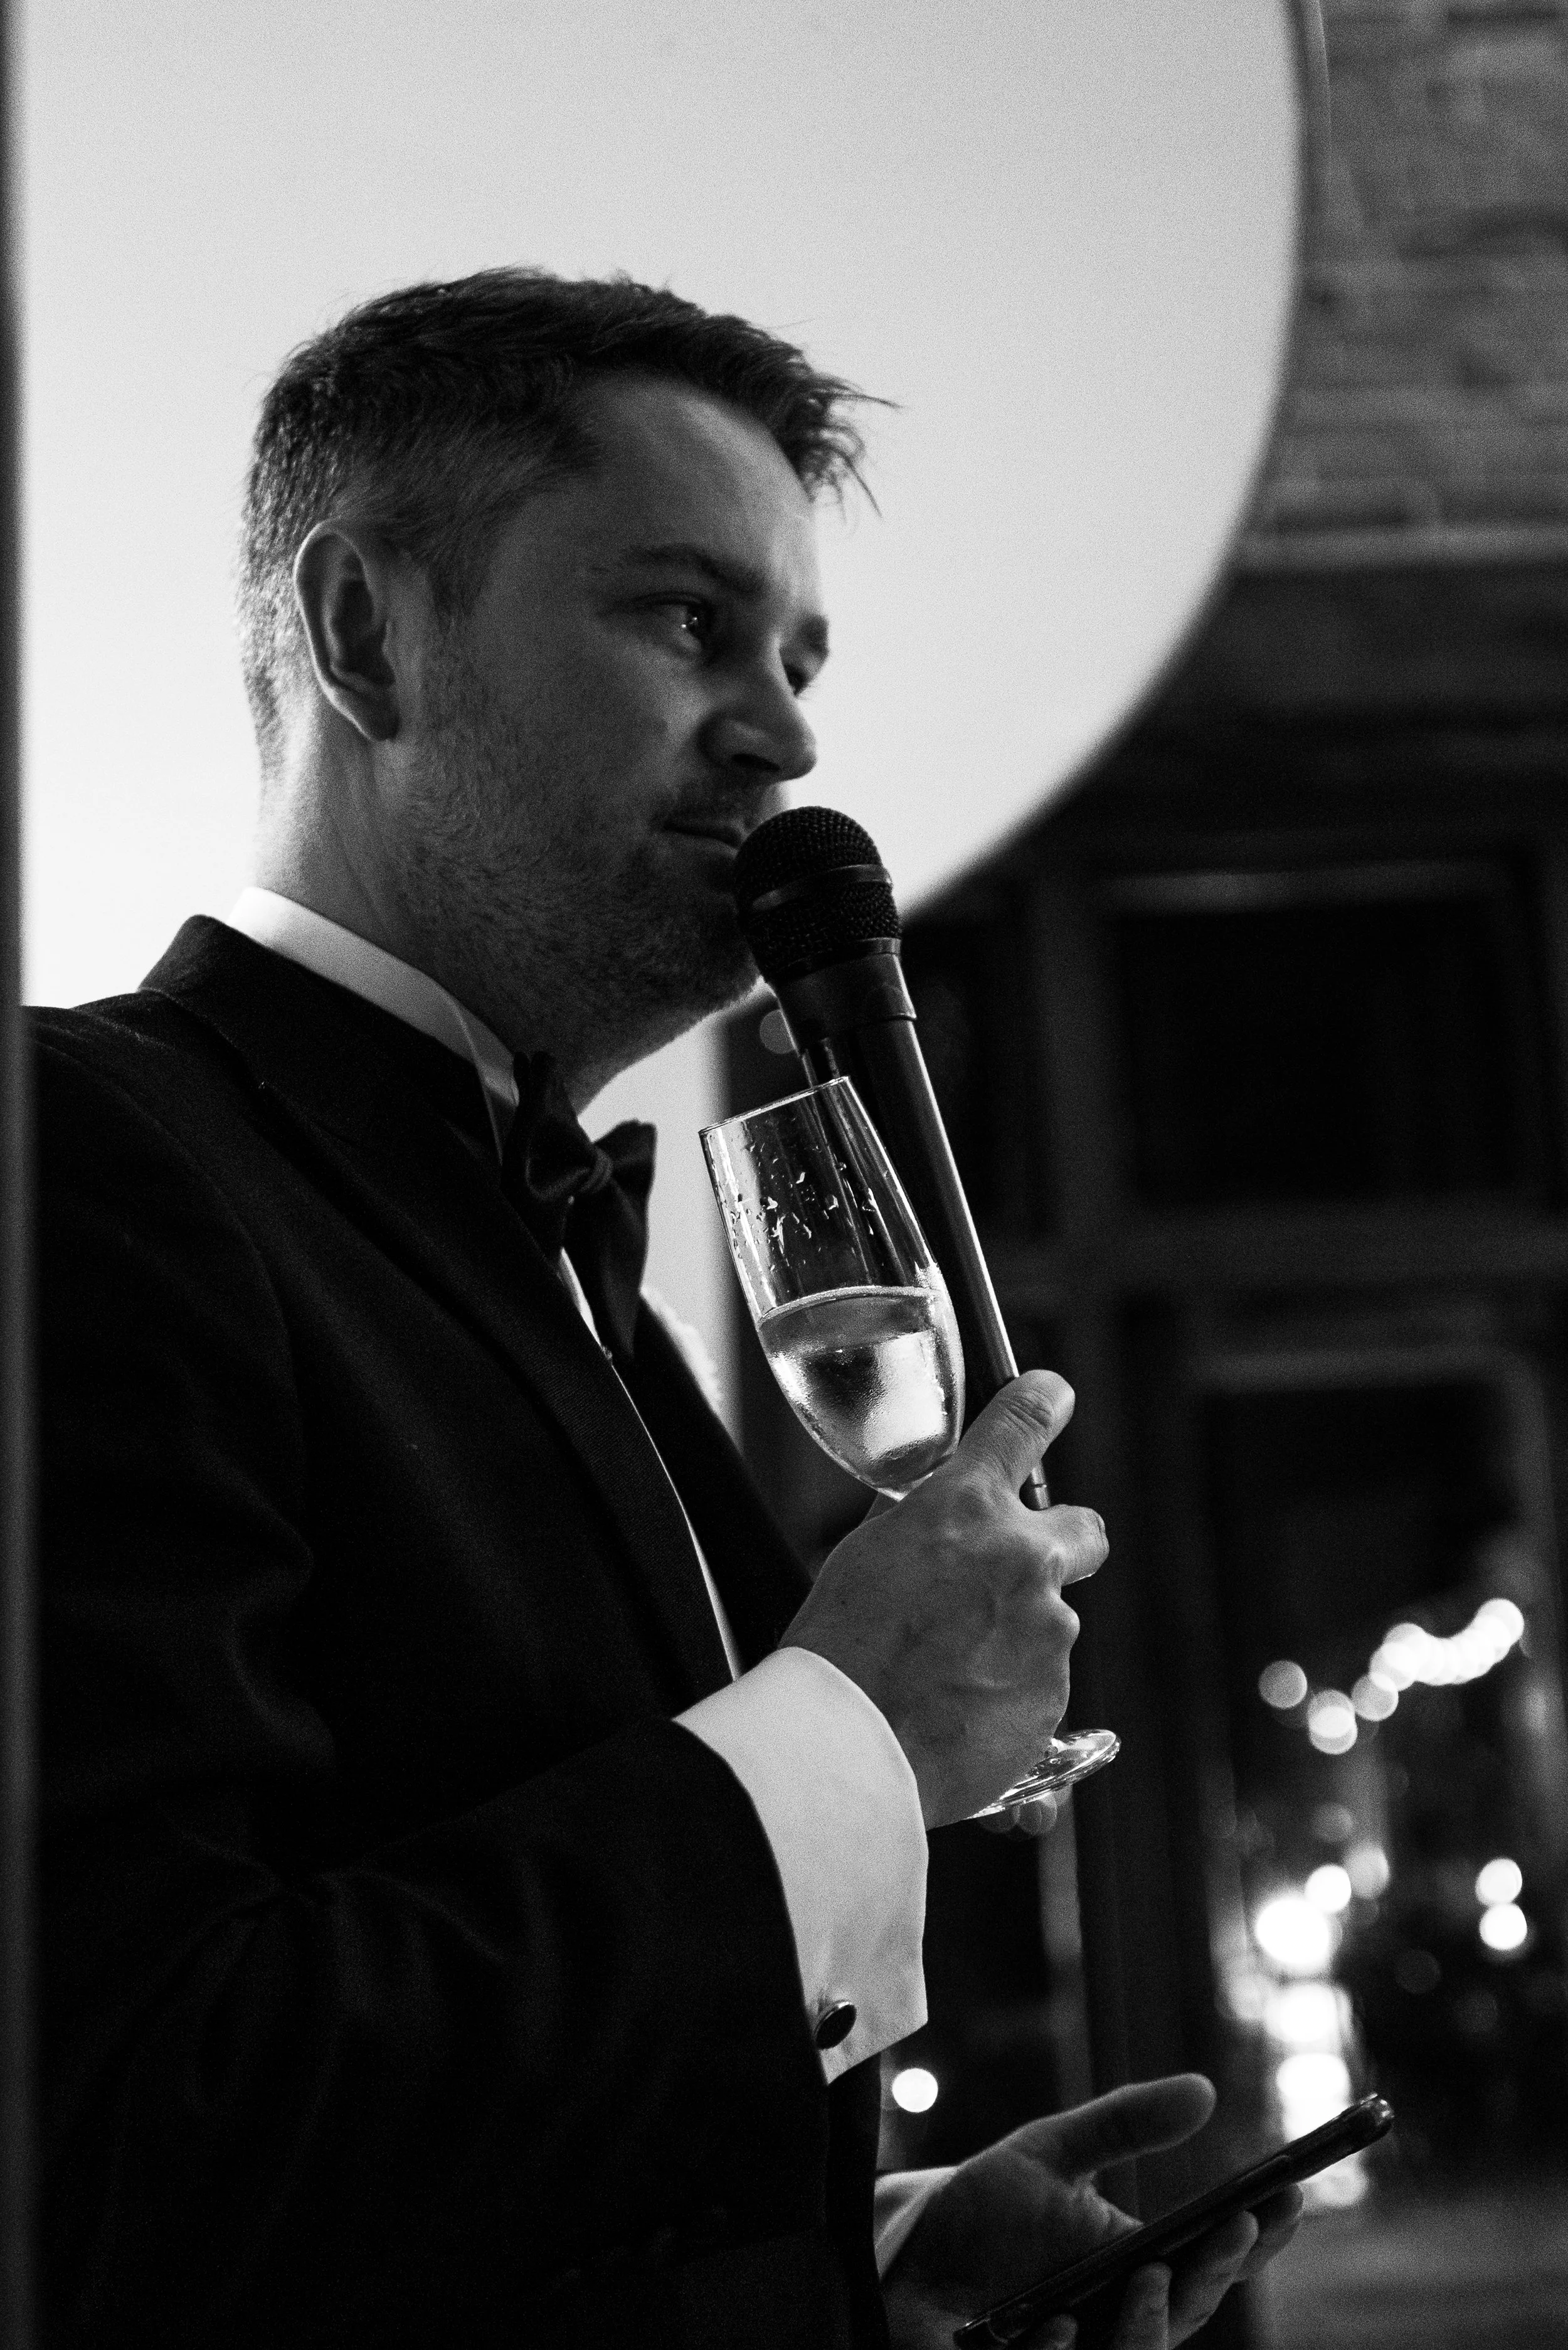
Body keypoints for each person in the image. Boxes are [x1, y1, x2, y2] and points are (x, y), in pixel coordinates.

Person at [34, 269, 1298, 2348]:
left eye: (799, 659)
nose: (789, 737)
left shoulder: (577, 1281)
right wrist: (846, 1736)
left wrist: (867, 2267)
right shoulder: (79, 1158)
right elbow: (129, 2128)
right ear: (366, 633)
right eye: (686, 622)